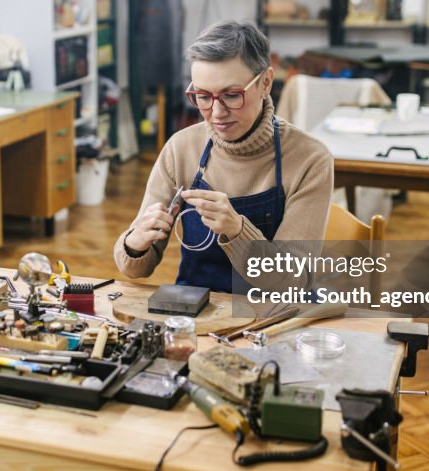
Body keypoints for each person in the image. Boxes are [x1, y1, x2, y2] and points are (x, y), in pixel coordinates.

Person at [113, 21, 333, 293]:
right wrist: (134, 243)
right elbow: (135, 269)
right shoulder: (181, 149)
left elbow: (292, 282)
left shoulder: (310, 159)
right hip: (196, 313)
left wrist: (237, 230)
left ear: (265, 82)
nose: (216, 113)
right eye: (203, 96)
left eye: (231, 95)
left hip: (272, 315)